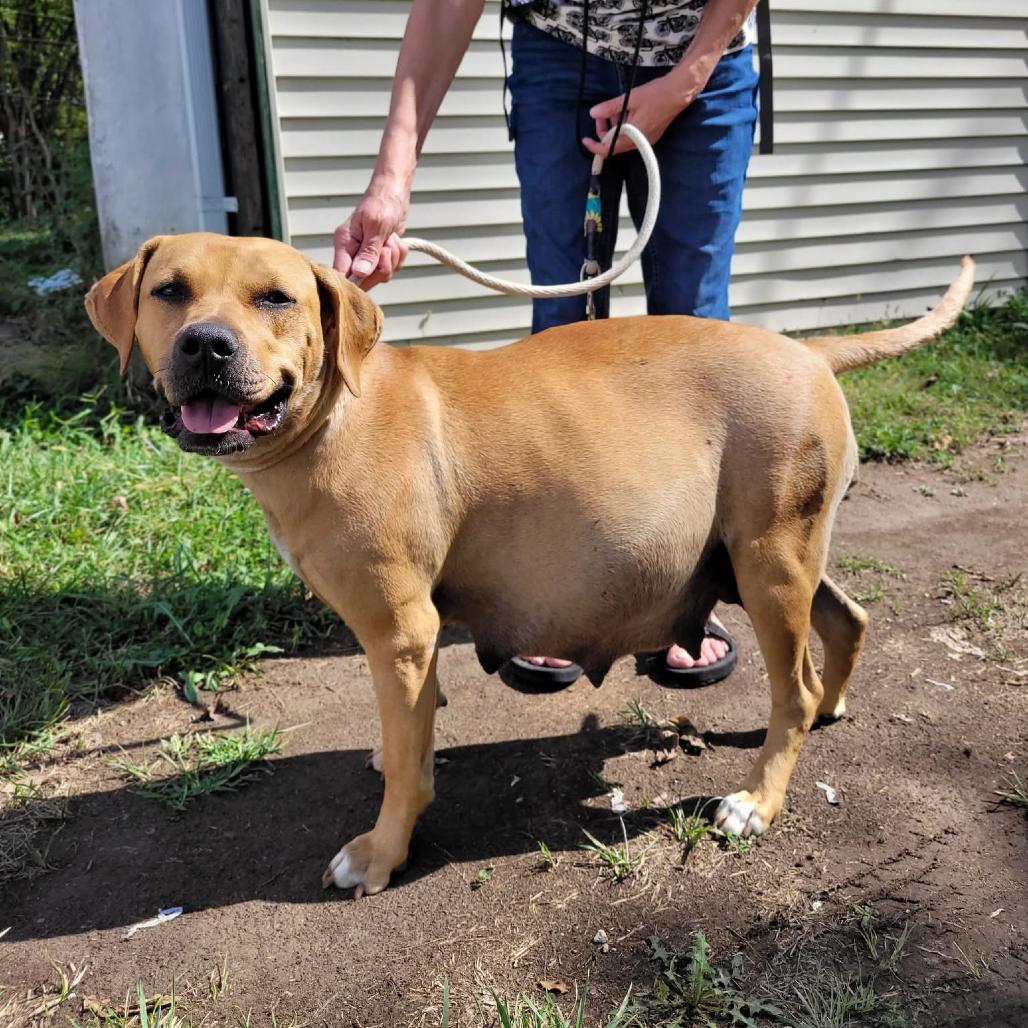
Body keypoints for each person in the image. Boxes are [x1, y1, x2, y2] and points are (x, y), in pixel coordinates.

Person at [333, 0, 760, 688]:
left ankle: (687, 594)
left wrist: (685, 81)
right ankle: (563, 593)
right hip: (561, 57)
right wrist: (391, 184)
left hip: (706, 59)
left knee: (693, 334)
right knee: (564, 340)